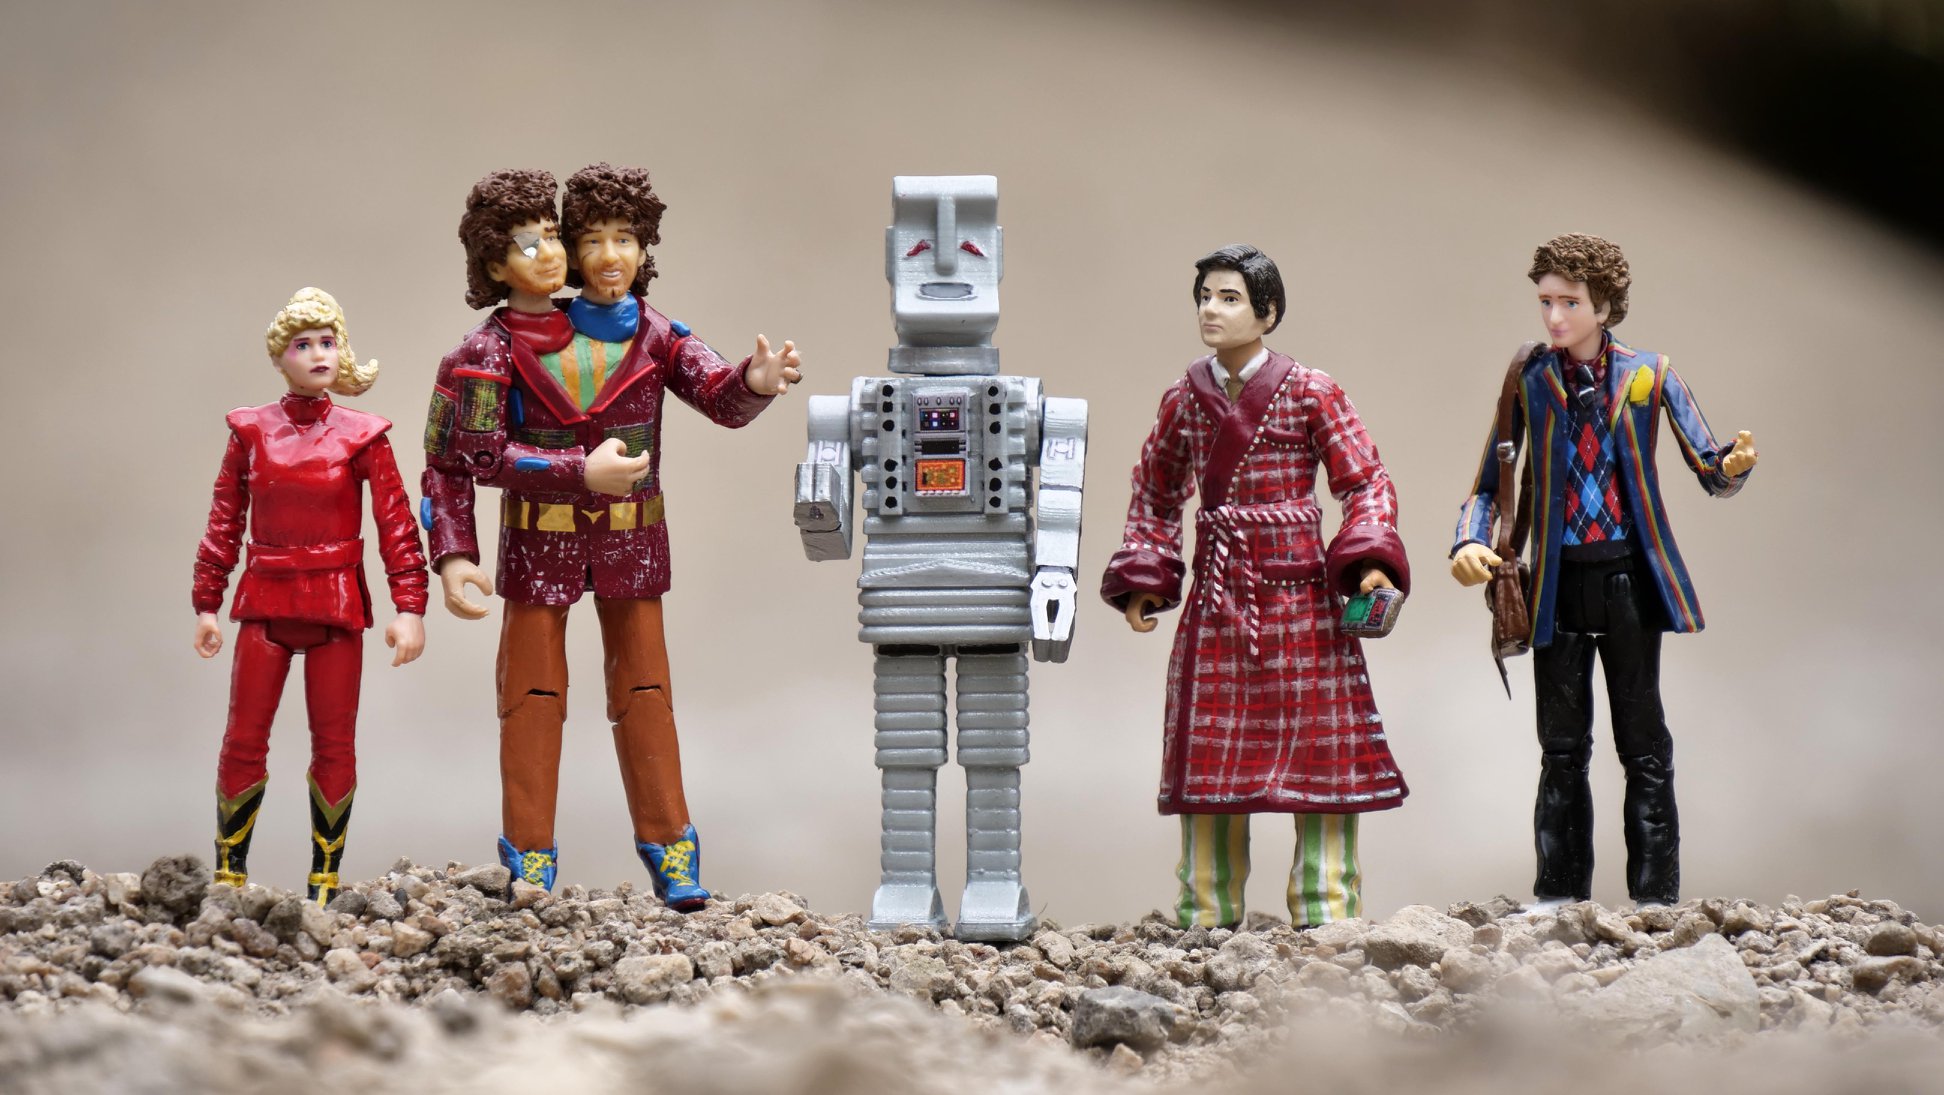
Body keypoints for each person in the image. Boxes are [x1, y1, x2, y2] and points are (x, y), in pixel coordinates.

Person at [421, 165, 801, 908]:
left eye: (622, 239)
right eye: (586, 240)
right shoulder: (490, 349)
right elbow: (461, 458)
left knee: (647, 692)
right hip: (539, 545)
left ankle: (672, 849)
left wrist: (755, 381)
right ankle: (529, 856)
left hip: (632, 543)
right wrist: (456, 552)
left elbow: (717, 396)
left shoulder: (653, 332)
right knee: (531, 697)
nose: (599, 256)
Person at [1101, 245, 1408, 928]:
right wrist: (1148, 571)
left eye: (1229, 297)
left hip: (1302, 599)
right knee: (1211, 761)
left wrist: (1369, 556)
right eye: (1204, 296)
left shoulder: (1312, 391)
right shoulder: (1184, 398)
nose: (1210, 309)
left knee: (1324, 759)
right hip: (1219, 597)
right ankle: (1206, 912)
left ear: (1267, 313)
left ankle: (1328, 911)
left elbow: (1364, 480)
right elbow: (1156, 490)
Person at [1450, 233, 1758, 911]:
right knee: (1561, 749)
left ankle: (1655, 900)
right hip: (1556, 585)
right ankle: (1558, 898)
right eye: (1546, 301)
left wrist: (1732, 466)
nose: (1554, 316)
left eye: (1569, 301)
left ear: (1605, 305)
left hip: (1628, 584)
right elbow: (1488, 482)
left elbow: (1708, 465)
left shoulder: (1650, 375)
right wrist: (1468, 541)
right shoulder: (1530, 379)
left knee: (1643, 744)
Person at [194, 287, 429, 907]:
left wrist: (410, 608)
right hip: (264, 603)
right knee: (243, 739)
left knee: (335, 743)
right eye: (303, 344)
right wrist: (206, 603)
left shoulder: (363, 435)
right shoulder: (250, 431)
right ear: (280, 357)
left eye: (328, 342)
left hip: (335, 606)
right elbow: (224, 520)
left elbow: (396, 524)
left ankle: (324, 878)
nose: (319, 354)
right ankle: (229, 874)